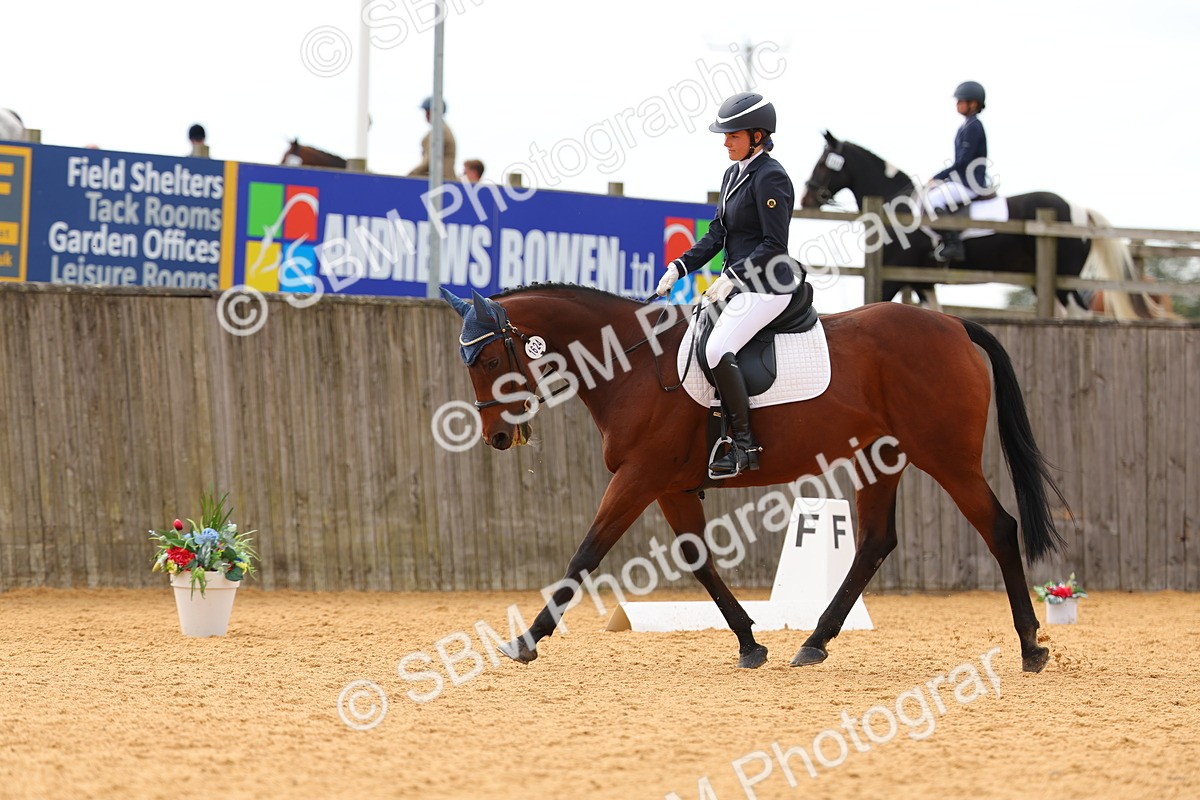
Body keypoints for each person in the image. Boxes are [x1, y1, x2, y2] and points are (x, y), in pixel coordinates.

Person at [655, 92, 805, 479]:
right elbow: (718, 233)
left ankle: (744, 444)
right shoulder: (732, 174)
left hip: (768, 284)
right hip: (738, 284)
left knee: (719, 347)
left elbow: (775, 245)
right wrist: (680, 266)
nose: (725, 142)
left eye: (732, 135)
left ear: (757, 136)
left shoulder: (772, 176)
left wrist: (731, 278)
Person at [924, 81, 989, 262]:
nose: (957, 104)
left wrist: (938, 177)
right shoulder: (967, 125)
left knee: (933, 198)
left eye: (961, 101)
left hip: (970, 183)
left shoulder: (974, 127)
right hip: (962, 180)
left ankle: (954, 244)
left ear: (973, 104)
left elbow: (962, 162)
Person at [408, 97, 456, 182]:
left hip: (441, 180)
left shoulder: (440, 132)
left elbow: (430, 160)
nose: (426, 115)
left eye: (428, 112)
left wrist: (411, 175)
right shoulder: (439, 130)